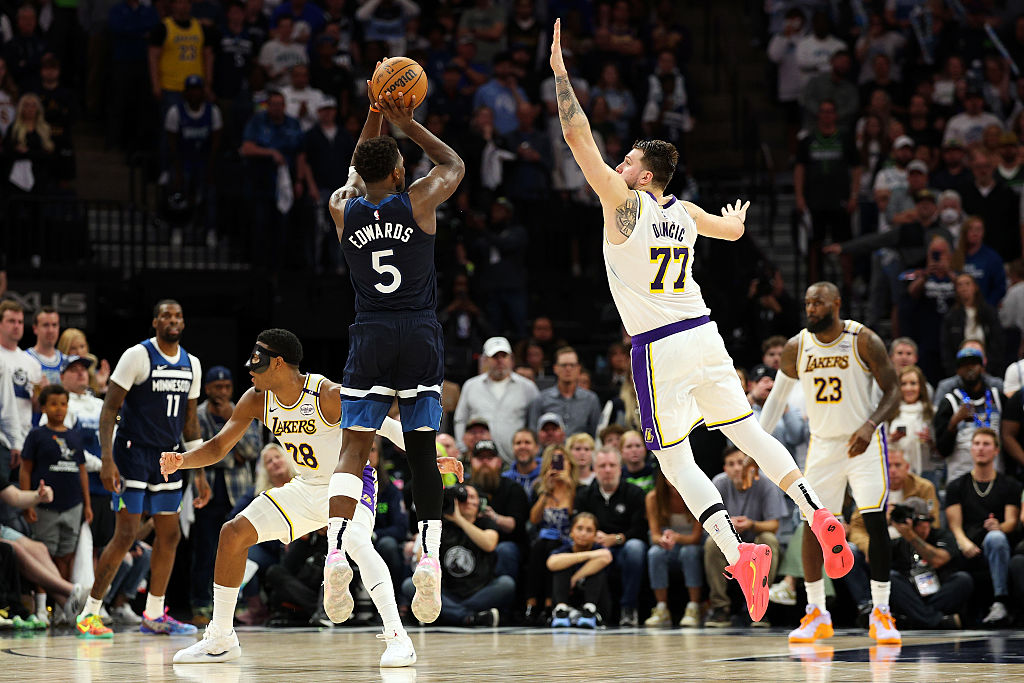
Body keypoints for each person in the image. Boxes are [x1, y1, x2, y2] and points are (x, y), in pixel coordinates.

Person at [550, 18, 850, 626]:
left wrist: (561, 75)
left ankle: (740, 557)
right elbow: (730, 229)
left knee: (675, 461)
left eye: (628, 159)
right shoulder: (683, 212)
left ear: (642, 175)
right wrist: (737, 223)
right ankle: (816, 509)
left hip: (659, 348)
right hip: (705, 334)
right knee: (745, 434)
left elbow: (578, 138)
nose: (621, 162)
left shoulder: (625, 206)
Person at [162, 329, 462, 665]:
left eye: (257, 364)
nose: (250, 371)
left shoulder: (326, 393)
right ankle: (220, 637)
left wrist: (430, 456)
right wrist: (183, 461)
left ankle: (398, 638)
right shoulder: (255, 400)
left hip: (349, 483)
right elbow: (218, 446)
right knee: (233, 533)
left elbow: (383, 425)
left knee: (360, 547)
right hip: (305, 486)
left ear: (278, 363)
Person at [325, 86, 465, 629]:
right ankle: (428, 558)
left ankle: (336, 553)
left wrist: (373, 116)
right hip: (419, 333)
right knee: (422, 452)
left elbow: (357, 172)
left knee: (354, 449)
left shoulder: (342, 207)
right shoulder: (420, 198)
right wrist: (406, 123)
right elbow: (453, 162)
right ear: (402, 171)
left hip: (371, 333)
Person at [759, 282, 902, 644]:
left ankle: (882, 612)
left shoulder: (863, 340)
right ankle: (816, 612)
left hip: (863, 443)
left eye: (818, 303)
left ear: (836, 304)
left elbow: (894, 391)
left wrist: (871, 426)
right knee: (814, 523)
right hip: (822, 447)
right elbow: (775, 401)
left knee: (873, 520)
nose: (810, 309)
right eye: (807, 303)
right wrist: (756, 447)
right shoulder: (796, 347)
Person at [74, 300, 204, 640]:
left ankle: (155, 613)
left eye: (178, 315)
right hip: (131, 455)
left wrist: (200, 469)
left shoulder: (193, 364)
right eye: (166, 315)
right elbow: (110, 408)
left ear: (183, 323)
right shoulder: (137, 355)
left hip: (168, 459)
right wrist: (106, 458)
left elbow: (190, 423)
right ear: (155, 322)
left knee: (170, 535)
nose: (172, 320)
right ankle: (89, 613)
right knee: (126, 535)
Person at [189, 365, 262, 625]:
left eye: (226, 387)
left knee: (238, 549)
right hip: (207, 493)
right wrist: (229, 457)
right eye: (216, 387)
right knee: (206, 551)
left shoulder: (243, 411)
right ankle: (200, 604)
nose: (222, 392)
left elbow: (253, 450)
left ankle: (235, 606)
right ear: (206, 389)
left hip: (238, 493)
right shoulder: (197, 415)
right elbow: (196, 453)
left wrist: (219, 451)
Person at [400, 483, 514, 626]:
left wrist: (460, 520)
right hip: (447, 592)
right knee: (409, 585)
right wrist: (437, 516)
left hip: (479, 590)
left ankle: (448, 615)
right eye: (462, 498)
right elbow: (420, 557)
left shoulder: (485, 522)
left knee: (506, 584)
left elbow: (489, 544)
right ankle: (469, 617)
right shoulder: (443, 526)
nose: (468, 501)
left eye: (472, 497)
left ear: (479, 503)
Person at [945, 428, 1022, 625]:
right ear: (970, 449)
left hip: (996, 545)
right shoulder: (956, 486)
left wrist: (999, 526)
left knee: (996, 538)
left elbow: (1012, 521)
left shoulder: (1010, 485)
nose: (980, 448)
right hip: (968, 544)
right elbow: (955, 525)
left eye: (986, 444)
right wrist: (964, 543)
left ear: (996, 450)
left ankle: (1000, 601)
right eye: (977, 444)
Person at [704, 445, 785, 628]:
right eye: (731, 464)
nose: (737, 468)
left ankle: (760, 605)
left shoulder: (766, 483)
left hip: (756, 539)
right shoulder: (719, 483)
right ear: (725, 468)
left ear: (750, 465)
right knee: (711, 543)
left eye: (741, 462)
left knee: (769, 540)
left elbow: (774, 525)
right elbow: (709, 525)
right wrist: (727, 526)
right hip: (729, 541)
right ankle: (720, 608)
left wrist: (751, 524)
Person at [20, 385, 90, 581]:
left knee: (67, 555)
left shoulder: (74, 435)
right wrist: (28, 503)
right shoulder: (36, 435)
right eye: (53, 404)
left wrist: (87, 504)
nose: (59, 409)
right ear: (43, 408)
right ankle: (42, 607)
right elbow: (25, 470)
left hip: (73, 504)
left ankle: (62, 608)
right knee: (43, 555)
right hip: (45, 506)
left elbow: (82, 471)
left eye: (63, 404)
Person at [573, 446, 647, 625]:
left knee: (636, 548)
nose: (607, 470)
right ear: (594, 469)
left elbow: (640, 529)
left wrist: (617, 538)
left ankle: (628, 609)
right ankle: (589, 609)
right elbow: (577, 524)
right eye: (602, 465)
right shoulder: (584, 495)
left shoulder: (634, 493)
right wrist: (592, 536)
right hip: (596, 548)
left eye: (612, 465)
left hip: (623, 548)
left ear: (620, 468)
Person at [888, 496, 972, 629]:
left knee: (963, 579)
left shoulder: (943, 536)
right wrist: (882, 525)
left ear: (927, 522)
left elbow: (938, 560)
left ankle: (915, 619)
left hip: (939, 593)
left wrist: (911, 536)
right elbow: (871, 559)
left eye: (916, 523)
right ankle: (935, 621)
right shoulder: (899, 542)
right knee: (890, 578)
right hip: (912, 595)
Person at [455, 336, 539, 464]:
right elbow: (460, 420)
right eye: (495, 357)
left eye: (503, 356)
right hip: (480, 459)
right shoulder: (471, 386)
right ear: (485, 360)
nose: (500, 361)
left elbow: (534, 423)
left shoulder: (528, 387)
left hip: (516, 461)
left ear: (511, 359)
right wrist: (462, 448)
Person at [933, 347, 1004, 485]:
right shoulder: (949, 402)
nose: (969, 368)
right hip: (959, 479)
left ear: (982, 368)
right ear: (957, 371)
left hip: (995, 478)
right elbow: (942, 449)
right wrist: (954, 422)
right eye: (964, 365)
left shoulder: (997, 397)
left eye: (974, 363)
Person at [644, 468, 703, 628]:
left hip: (692, 545)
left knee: (688, 552)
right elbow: (654, 534)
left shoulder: (698, 495)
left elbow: (696, 538)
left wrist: (677, 537)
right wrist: (663, 539)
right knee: (655, 553)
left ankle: (694, 607)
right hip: (669, 544)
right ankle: (661, 608)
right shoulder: (653, 498)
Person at [525, 444, 577, 625]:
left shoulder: (578, 488)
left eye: (562, 461)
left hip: (568, 540)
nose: (558, 466)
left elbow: (576, 518)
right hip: (543, 540)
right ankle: (532, 605)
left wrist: (569, 487)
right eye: (554, 461)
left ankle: (548, 604)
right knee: (541, 546)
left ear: (570, 464)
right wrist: (546, 491)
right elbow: (533, 519)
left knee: (550, 547)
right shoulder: (539, 487)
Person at [467, 438, 528, 579]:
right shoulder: (464, 489)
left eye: (490, 457)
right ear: (472, 461)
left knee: (506, 550)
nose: (485, 462)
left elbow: (517, 526)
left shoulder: (513, 488)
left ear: (499, 462)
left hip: (503, 544)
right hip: (469, 542)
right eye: (480, 458)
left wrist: (494, 517)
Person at [547, 511, 613, 628]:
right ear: (571, 531)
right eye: (579, 528)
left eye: (589, 530)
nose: (583, 533)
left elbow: (606, 557)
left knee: (596, 569)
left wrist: (575, 578)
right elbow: (551, 563)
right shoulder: (565, 548)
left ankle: (589, 610)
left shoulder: (599, 549)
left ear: (595, 535)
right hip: (570, 598)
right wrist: (586, 555)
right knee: (562, 565)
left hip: (597, 602)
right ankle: (561, 610)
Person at [526, 346, 602, 438]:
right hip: (549, 451)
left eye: (572, 365)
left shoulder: (591, 399)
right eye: (564, 365)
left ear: (578, 369)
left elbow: (595, 434)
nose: (568, 369)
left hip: (580, 450)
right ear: (555, 368)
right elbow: (534, 434)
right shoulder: (541, 399)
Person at [25, 306, 65, 386]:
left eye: (54, 325)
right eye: (46, 325)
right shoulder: (24, 358)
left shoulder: (66, 361)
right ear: (35, 328)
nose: (50, 330)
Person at [502, 428, 541, 494]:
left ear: (537, 448)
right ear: (512, 448)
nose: (522, 446)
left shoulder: (546, 476)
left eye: (527, 442)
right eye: (518, 443)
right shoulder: (504, 480)